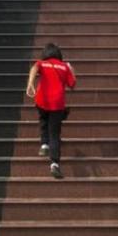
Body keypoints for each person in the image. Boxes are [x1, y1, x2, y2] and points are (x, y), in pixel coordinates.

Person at [25, 43, 76, 179]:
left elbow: (34, 68)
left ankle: (44, 144)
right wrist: (71, 70)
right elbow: (72, 85)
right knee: (55, 133)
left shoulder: (42, 63)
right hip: (57, 104)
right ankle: (54, 163)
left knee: (43, 120)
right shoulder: (64, 66)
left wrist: (30, 83)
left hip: (42, 100)